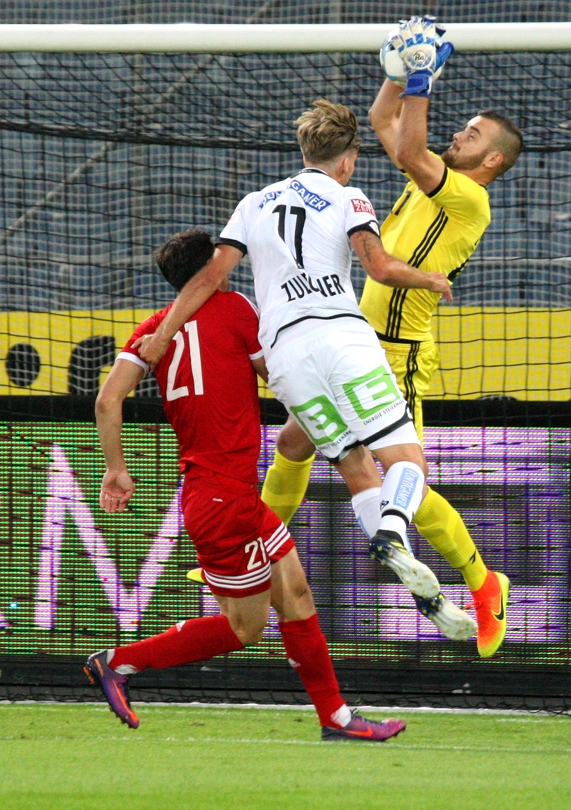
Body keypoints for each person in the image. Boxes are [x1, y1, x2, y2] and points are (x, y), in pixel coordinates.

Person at [133, 98, 475, 643]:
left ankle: (425, 593)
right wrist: (428, 279)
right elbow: (379, 267)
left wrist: (163, 334)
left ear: (304, 148)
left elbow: (207, 278)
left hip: (287, 361)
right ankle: (391, 531)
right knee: (406, 462)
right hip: (341, 339)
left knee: (356, 467)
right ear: (348, 160)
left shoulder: (253, 203)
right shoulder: (348, 197)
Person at [261, 17, 523, 658]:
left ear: (490, 160)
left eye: (473, 135)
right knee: (295, 439)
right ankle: (251, 546)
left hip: (396, 350)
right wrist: (397, 73)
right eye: (460, 128)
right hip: (353, 337)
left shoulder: (468, 200)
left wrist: (426, 77)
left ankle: (484, 582)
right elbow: (388, 127)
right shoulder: (426, 181)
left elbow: (407, 146)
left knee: (407, 480)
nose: (460, 134)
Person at [85, 228, 406, 742]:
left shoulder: (152, 330)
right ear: (212, 264)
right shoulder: (235, 310)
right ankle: (118, 663)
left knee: (297, 595)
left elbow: (106, 401)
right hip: (221, 500)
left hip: (227, 494)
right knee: (246, 628)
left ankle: (337, 719)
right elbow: (281, 377)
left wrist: (115, 468)